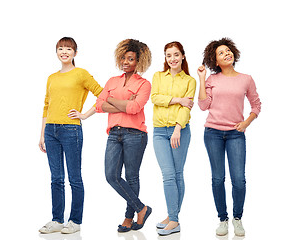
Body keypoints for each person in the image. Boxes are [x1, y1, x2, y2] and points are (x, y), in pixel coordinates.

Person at [197, 37, 261, 237]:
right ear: (215, 61)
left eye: (228, 51)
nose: (227, 54)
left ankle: (237, 218)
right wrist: (201, 78)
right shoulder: (212, 80)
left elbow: (256, 105)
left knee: (239, 180)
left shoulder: (246, 79)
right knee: (217, 178)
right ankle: (223, 219)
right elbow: (202, 106)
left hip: (236, 134)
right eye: (221, 53)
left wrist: (246, 123)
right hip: (212, 133)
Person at [38, 37, 103, 234]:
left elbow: (102, 94)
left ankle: (75, 221)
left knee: (74, 177)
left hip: (71, 130)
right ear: (56, 51)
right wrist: (42, 134)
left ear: (75, 52)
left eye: (68, 49)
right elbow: (46, 106)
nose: (64, 52)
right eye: (60, 49)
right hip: (51, 130)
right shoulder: (52, 77)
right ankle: (57, 220)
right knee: (56, 178)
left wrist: (84, 115)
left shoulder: (81, 74)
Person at [95, 39, 152, 233]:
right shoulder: (112, 81)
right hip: (114, 133)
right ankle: (142, 208)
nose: (126, 62)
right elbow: (99, 105)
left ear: (139, 62)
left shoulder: (144, 84)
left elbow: (135, 108)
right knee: (111, 176)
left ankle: (129, 218)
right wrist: (121, 101)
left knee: (131, 177)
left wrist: (110, 100)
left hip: (135, 134)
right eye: (123, 58)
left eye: (131, 59)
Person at [151, 41, 196, 236]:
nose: (172, 59)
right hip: (159, 131)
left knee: (177, 174)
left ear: (183, 56)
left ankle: (174, 219)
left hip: (180, 131)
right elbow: (155, 97)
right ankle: (173, 217)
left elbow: (187, 108)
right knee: (168, 174)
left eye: (176, 54)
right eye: (168, 55)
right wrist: (178, 100)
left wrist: (178, 128)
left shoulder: (190, 81)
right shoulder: (158, 76)